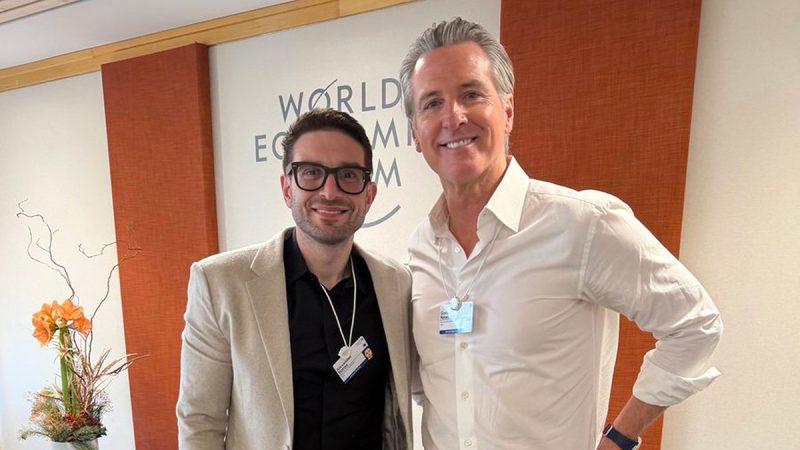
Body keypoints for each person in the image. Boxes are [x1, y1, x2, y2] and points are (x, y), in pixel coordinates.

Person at [400, 18, 722, 450]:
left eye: (471, 94)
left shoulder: (583, 224)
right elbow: (432, 387)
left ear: (508, 111)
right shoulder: (421, 248)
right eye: (432, 103)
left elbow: (695, 324)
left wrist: (620, 437)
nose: (453, 117)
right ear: (415, 134)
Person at [176, 108, 412, 449]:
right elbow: (200, 420)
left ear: (369, 195)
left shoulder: (396, 283)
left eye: (348, 175)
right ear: (287, 189)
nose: (329, 191)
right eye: (311, 172)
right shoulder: (220, 284)